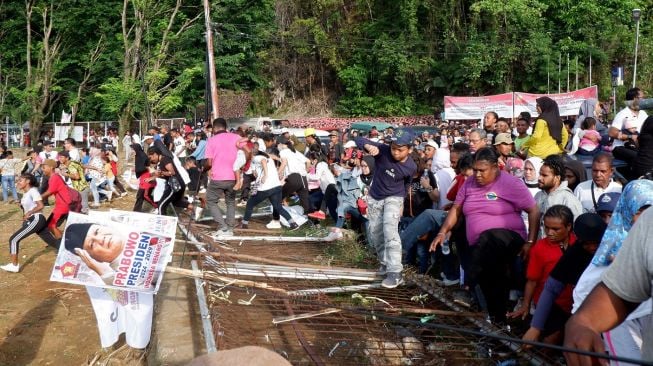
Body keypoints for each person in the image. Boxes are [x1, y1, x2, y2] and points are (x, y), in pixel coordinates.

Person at [430, 147, 539, 322]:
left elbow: (533, 210)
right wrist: (443, 231)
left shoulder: (511, 183)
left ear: (495, 167)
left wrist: (530, 241)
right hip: (483, 247)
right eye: (475, 170)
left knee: (488, 237)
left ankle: (467, 287)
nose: (477, 174)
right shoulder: (469, 183)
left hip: (509, 238)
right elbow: (456, 209)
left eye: (482, 170)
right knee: (492, 277)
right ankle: (498, 323)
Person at [570, 180, 653, 364]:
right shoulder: (611, 247)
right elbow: (585, 290)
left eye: (649, 211)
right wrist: (583, 324)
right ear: (627, 211)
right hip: (620, 321)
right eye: (638, 211)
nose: (644, 218)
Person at [521, 213, 607, 346]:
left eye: (596, 243)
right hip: (582, 310)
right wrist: (535, 327)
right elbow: (551, 289)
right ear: (578, 239)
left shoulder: (614, 248)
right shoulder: (574, 254)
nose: (592, 248)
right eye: (587, 244)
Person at [355, 128, 417, 288]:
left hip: (394, 197)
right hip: (375, 196)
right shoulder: (383, 151)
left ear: (409, 149)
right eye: (393, 148)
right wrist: (368, 147)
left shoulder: (410, 167)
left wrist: (401, 202)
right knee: (375, 233)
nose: (395, 152)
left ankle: (396, 272)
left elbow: (407, 183)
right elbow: (358, 140)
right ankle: (384, 263)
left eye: (400, 149)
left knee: (390, 230)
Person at [238, 147, 300, 232]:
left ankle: (244, 224)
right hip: (276, 186)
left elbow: (263, 161)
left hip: (266, 188)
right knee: (278, 207)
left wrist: (265, 175)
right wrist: (279, 159)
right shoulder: (266, 156)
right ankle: (293, 224)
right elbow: (271, 156)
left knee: (250, 204)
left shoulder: (257, 158)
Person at [0, 174, 50, 272]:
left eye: (20, 180)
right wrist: (22, 208)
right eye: (18, 180)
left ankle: (14, 266)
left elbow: (40, 205)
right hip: (33, 220)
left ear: (28, 181)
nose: (18, 182)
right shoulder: (26, 194)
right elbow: (29, 207)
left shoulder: (33, 191)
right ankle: (71, 250)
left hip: (37, 219)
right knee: (51, 240)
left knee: (14, 239)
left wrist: (30, 212)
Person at [204, 118, 241, 236]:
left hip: (218, 177)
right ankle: (230, 228)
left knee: (211, 200)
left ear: (214, 128)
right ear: (225, 127)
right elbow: (247, 152)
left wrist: (203, 169)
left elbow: (209, 163)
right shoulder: (236, 137)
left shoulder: (211, 140)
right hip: (233, 176)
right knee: (230, 202)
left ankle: (222, 226)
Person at [534, 155, 583, 238]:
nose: (539, 178)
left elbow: (576, 229)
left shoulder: (568, 198)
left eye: (544, 175)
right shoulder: (538, 196)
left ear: (557, 178)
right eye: (540, 174)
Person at [148, 144, 193, 216]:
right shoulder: (161, 161)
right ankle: (195, 210)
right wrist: (154, 177)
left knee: (161, 205)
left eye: (151, 158)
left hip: (174, 185)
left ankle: (162, 223)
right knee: (176, 202)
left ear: (155, 154)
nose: (151, 160)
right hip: (177, 184)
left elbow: (172, 172)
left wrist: (160, 172)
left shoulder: (165, 159)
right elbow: (165, 175)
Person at [609, 87, 647, 169]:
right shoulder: (622, 114)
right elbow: (612, 133)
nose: (644, 100)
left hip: (637, 146)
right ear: (634, 99)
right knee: (639, 157)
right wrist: (630, 137)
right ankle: (634, 179)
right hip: (620, 147)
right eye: (642, 98)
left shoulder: (643, 113)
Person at [40, 159, 70, 239]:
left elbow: (49, 192)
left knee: (51, 225)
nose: (42, 169)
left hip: (63, 206)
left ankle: (60, 244)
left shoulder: (54, 177)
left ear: (51, 167)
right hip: (63, 205)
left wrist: (37, 198)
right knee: (51, 225)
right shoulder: (54, 177)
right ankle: (63, 241)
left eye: (44, 167)